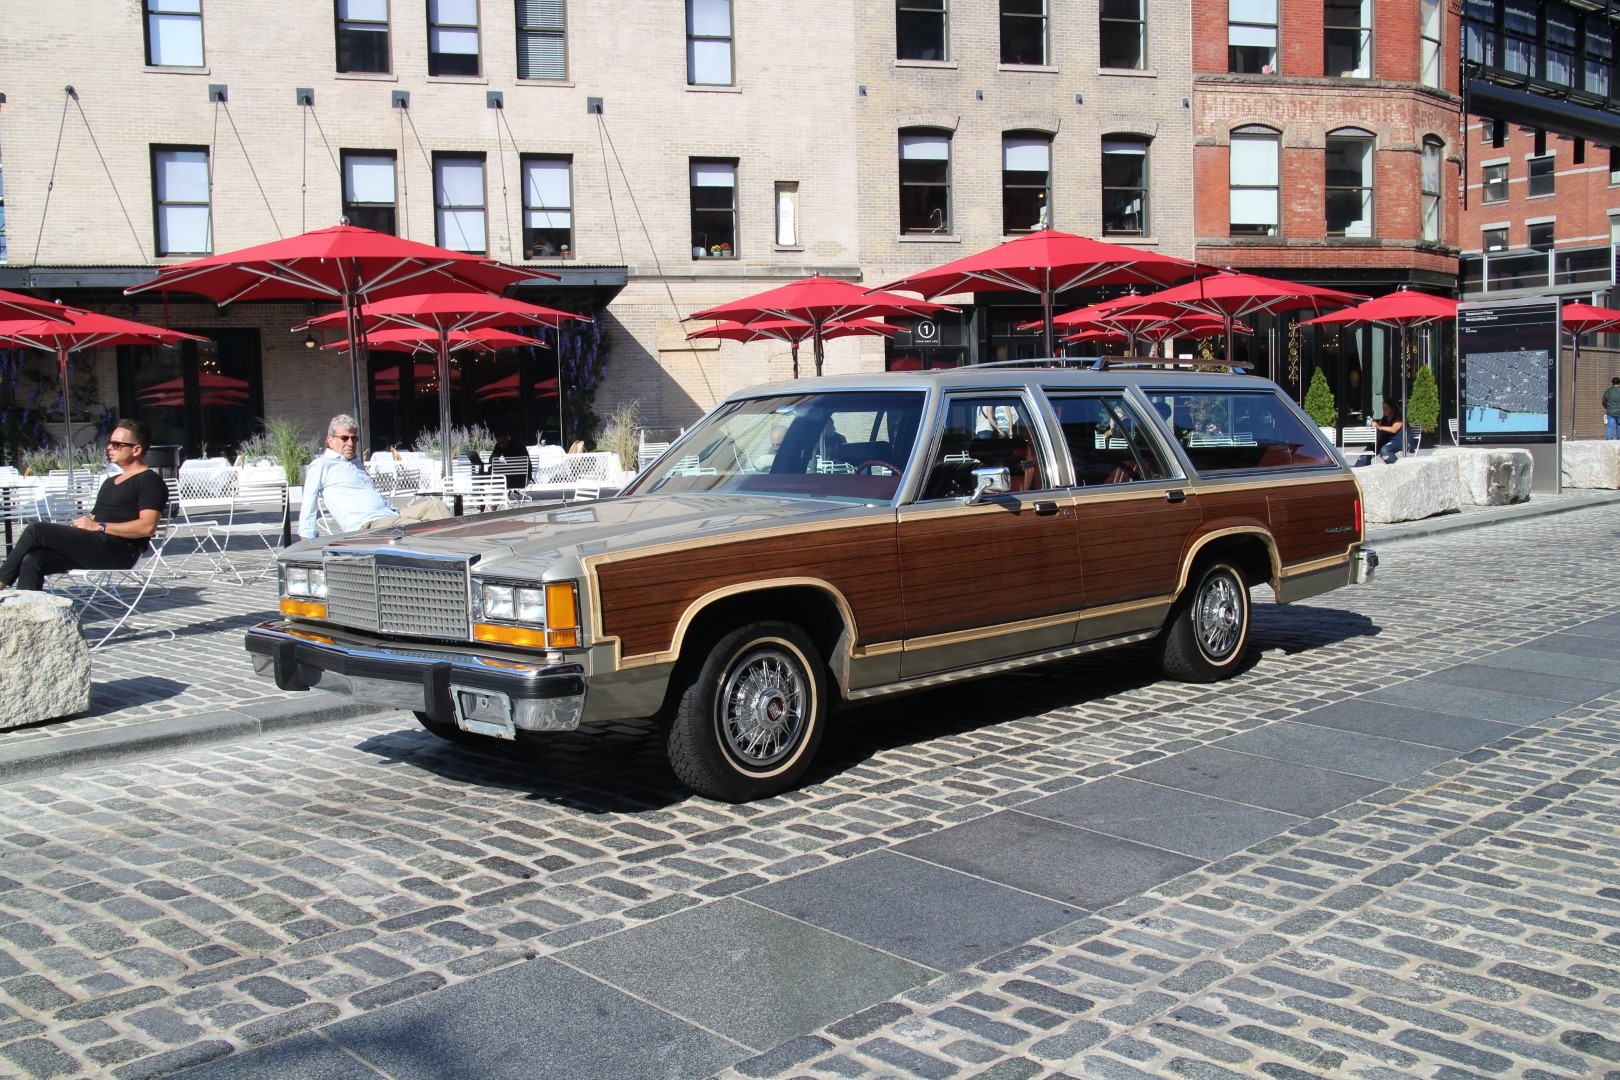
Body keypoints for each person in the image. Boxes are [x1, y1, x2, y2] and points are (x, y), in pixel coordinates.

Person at [0, 419, 166, 591]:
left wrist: (98, 526)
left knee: (36, 530)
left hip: (121, 551)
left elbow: (147, 527)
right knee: (34, 558)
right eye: (110, 443)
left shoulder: (150, 481)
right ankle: (28, 612)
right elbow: (94, 519)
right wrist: (81, 527)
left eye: (117, 444)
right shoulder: (110, 482)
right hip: (96, 545)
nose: (109, 447)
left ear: (136, 449)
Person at [297, 414, 452, 539]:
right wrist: (306, 535)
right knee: (418, 527)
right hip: (368, 524)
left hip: (390, 513)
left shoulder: (355, 463)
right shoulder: (321, 465)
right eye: (344, 438)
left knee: (436, 506)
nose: (350, 443)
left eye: (354, 438)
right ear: (330, 440)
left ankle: (462, 549)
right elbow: (309, 499)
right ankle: (454, 559)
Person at [1374, 399, 1408, 464]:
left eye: (1386, 408)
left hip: (1400, 441)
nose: (1384, 410)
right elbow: (1378, 428)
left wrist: (1379, 427)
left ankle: (1398, 467)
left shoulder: (1399, 418)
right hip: (1386, 441)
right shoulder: (1384, 419)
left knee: (1384, 451)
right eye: (1383, 408)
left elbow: (1394, 429)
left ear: (1392, 408)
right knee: (1368, 451)